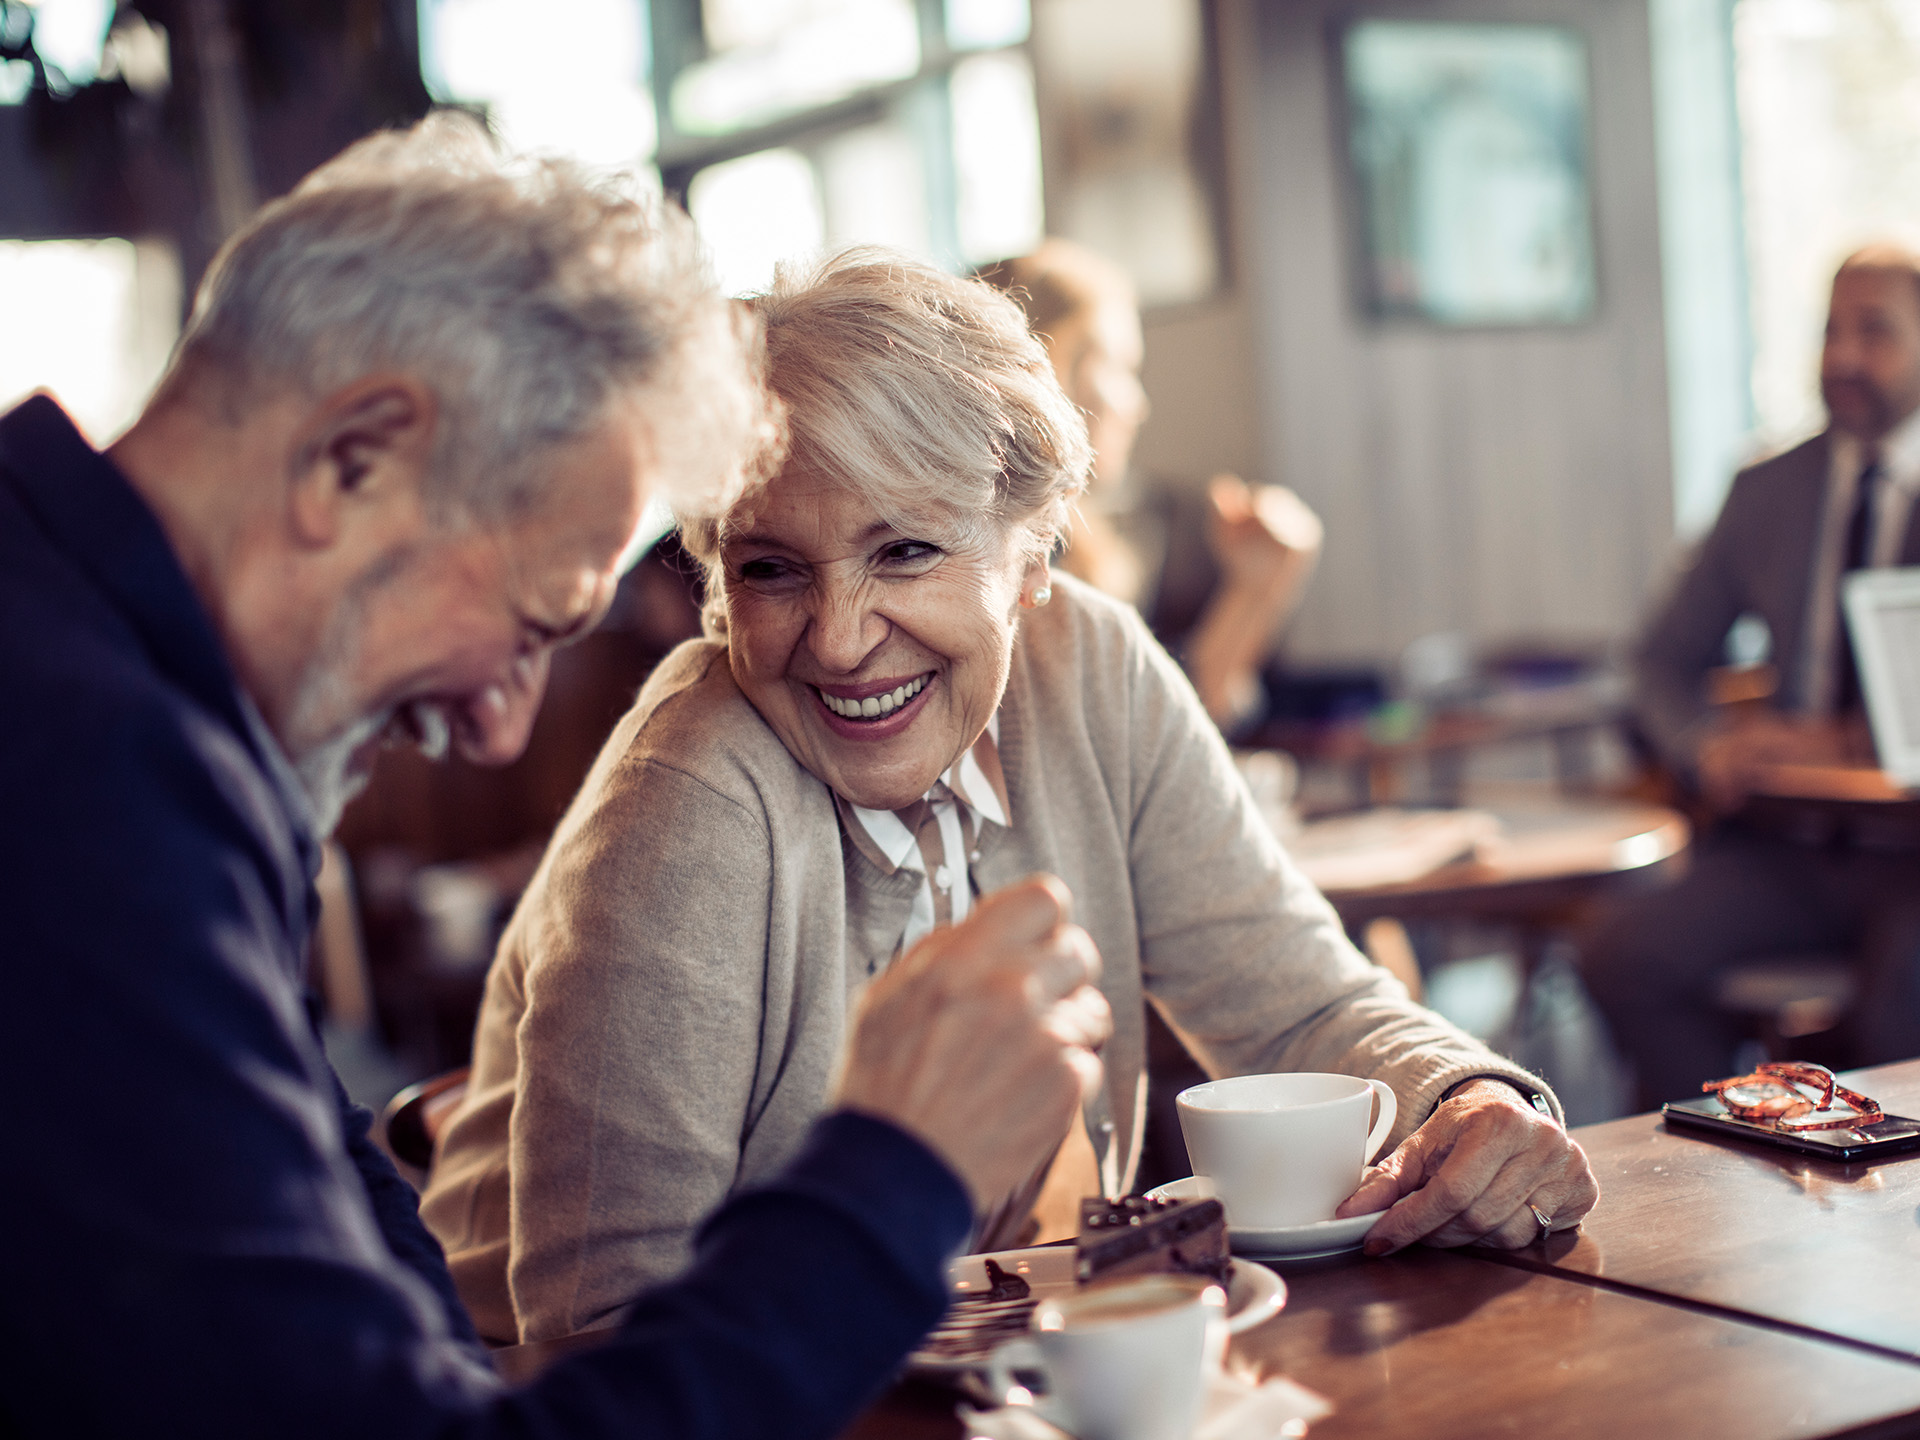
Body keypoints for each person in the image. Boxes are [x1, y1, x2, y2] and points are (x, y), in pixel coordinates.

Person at [0, 116, 1113, 1439]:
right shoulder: (80, 785)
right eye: (534, 620)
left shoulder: (91, 676)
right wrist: (897, 1169)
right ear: (355, 460)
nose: (497, 731)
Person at [422, 250, 1598, 1344]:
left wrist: (1471, 1097)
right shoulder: (687, 801)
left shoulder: (1093, 669)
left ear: (1034, 556)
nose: (837, 642)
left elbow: (1294, 1003)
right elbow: (603, 1326)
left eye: (904, 552)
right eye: (772, 568)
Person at [1588, 244, 1920, 1107]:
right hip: (1791, 845)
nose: (1843, 358)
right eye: (1829, 332)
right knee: (1628, 953)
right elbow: (1658, 660)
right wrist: (1703, 745)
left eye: (1874, 333)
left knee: (1898, 1009)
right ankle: (1725, 1165)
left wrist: (1849, 738)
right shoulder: (1770, 486)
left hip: (1913, 854)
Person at [977, 239, 1324, 731]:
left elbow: (1160, 731)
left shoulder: (1087, 544)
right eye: (1119, 368)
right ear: (1045, 374)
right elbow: (1124, 746)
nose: (1136, 405)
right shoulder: (997, 561)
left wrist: (1256, 590)